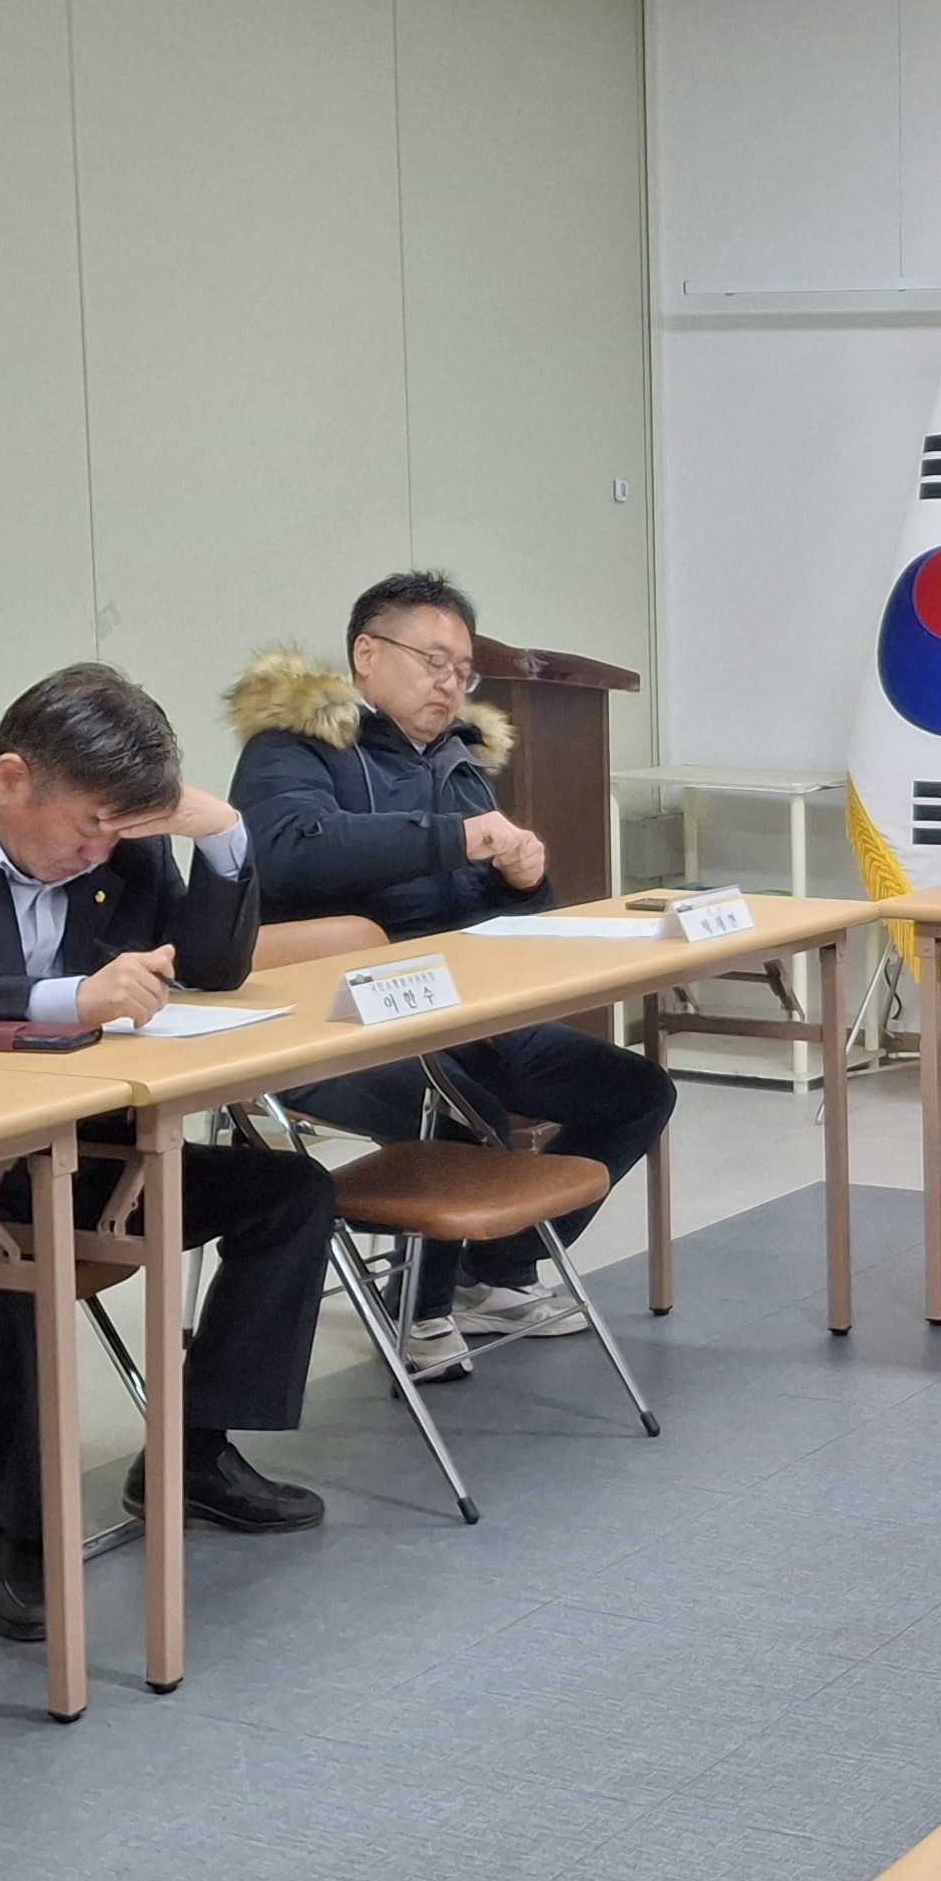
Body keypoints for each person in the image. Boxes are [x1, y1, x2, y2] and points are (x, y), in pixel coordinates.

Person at [0, 663, 337, 1641]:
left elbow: (213, 969)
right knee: (0, 1257)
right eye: (88, 826)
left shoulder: (119, 841)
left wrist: (222, 836)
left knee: (290, 1190)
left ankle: (192, 1453)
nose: (101, 850)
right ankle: (27, 1531)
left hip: (71, 1155)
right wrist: (68, 1001)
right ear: (14, 777)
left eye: (120, 831)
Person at [225, 573, 673, 1349]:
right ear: (367, 654)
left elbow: (495, 924)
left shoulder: (458, 762)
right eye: (433, 661)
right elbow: (286, 851)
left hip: (457, 1014)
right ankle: (418, 1313)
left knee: (635, 1090)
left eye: (462, 671)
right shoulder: (292, 748)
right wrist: (451, 838)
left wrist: (526, 884)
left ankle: (494, 1270)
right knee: (467, 1115)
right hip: (334, 1024)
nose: (449, 684)